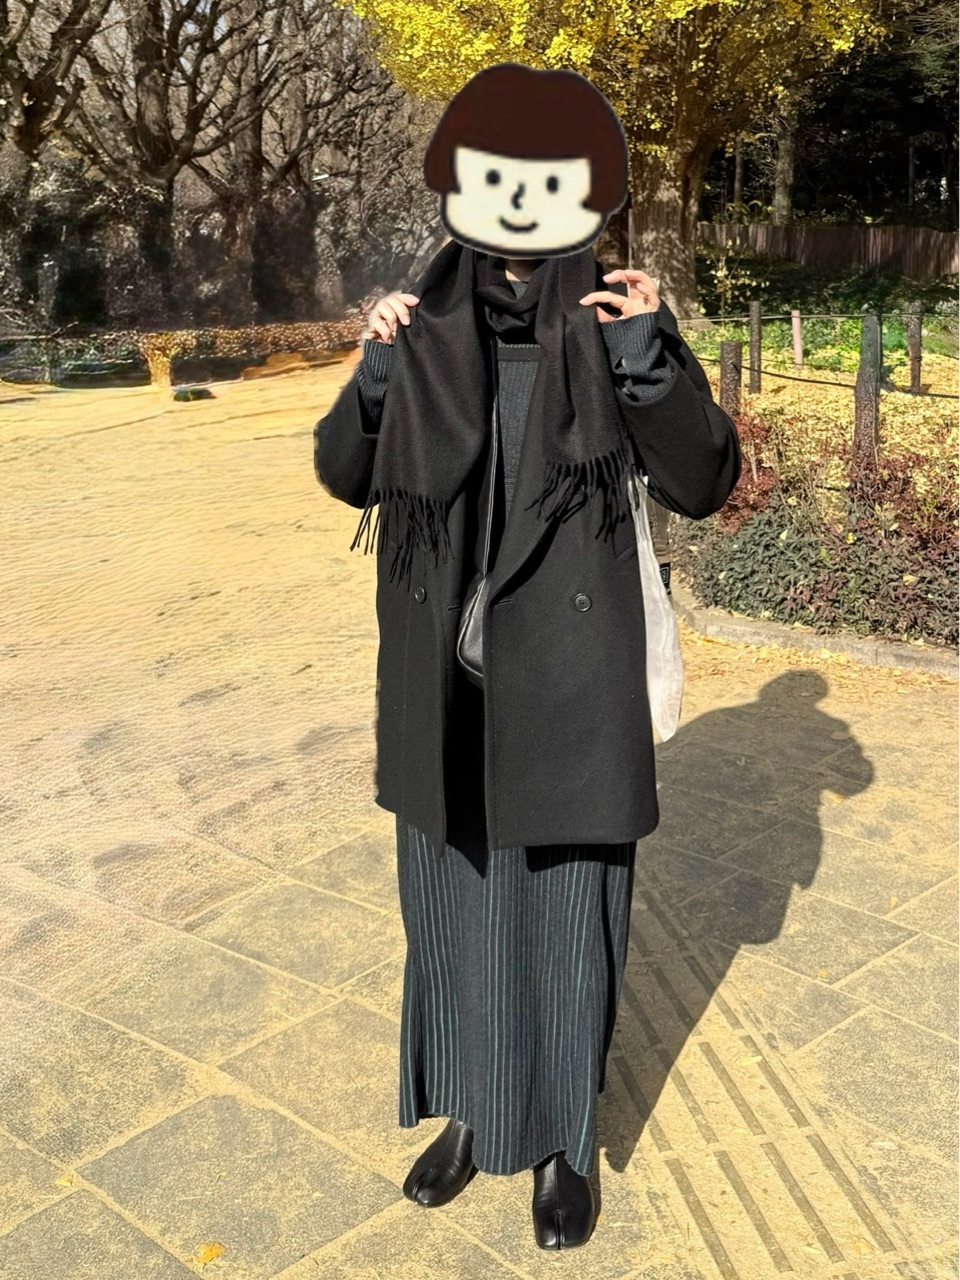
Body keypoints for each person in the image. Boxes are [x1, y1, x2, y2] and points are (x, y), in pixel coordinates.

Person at [313, 63, 741, 1250]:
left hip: (571, 687)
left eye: (542, 182)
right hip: (444, 686)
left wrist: (649, 352)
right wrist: (376, 371)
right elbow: (343, 471)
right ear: (457, 185)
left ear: (586, 198)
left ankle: (561, 1142)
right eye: (494, 177)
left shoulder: (616, 328)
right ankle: (467, 1111)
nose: (513, 205)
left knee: (564, 920)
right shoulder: (418, 333)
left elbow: (704, 478)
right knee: (451, 912)